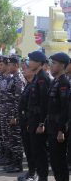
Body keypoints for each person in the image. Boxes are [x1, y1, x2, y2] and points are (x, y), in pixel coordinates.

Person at [27, 51, 51, 181]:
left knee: (40, 152)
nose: (29, 63)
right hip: (33, 119)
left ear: (39, 63)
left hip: (38, 121)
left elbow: (44, 103)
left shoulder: (42, 78)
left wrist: (42, 123)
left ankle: (43, 177)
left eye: (32, 60)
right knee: (35, 150)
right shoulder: (37, 77)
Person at [47, 52, 70, 181]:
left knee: (60, 161)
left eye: (54, 63)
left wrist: (61, 130)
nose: (51, 66)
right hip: (51, 126)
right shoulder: (55, 81)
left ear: (62, 66)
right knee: (54, 161)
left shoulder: (64, 83)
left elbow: (64, 109)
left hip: (58, 129)